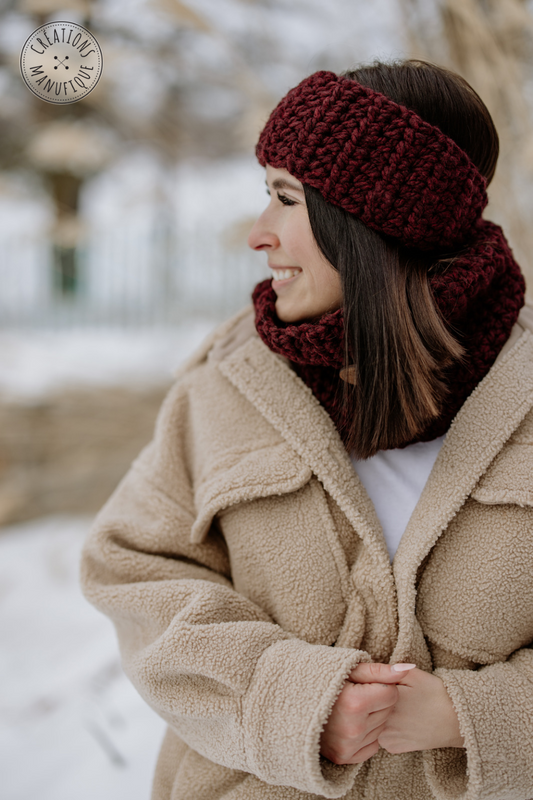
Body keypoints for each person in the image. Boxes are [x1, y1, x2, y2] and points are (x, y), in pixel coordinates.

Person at [81, 59, 533, 800]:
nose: (258, 235)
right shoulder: (225, 385)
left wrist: (470, 716)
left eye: (286, 199)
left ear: (377, 221)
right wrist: (288, 702)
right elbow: (133, 572)